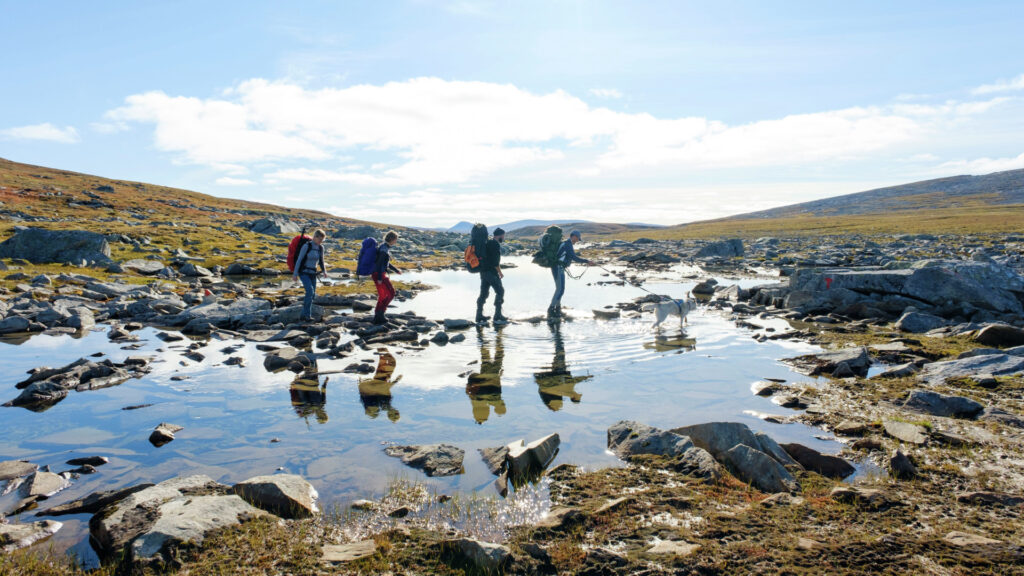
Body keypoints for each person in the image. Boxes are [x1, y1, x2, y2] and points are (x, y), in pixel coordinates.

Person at [548, 229, 592, 319]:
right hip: (558, 268)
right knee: (560, 289)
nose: (577, 241)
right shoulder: (568, 244)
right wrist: (587, 261)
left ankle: (557, 308)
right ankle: (551, 310)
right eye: (577, 239)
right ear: (574, 236)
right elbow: (574, 257)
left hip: (558, 268)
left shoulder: (566, 243)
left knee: (560, 289)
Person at [292, 229, 327, 322]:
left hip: (313, 273)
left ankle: (303, 315)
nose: (320, 242)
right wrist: (295, 274)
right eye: (320, 239)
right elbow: (299, 260)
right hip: (303, 272)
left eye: (322, 240)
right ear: (315, 237)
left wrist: (324, 271)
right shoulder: (306, 246)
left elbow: (321, 261)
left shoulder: (321, 248)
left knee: (312, 295)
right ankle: (307, 316)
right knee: (310, 292)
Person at [476, 227, 507, 324]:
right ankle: (498, 315)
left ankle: (479, 316)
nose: (504, 237)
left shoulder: (488, 242)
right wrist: (500, 272)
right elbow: (495, 262)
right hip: (491, 272)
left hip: (483, 272)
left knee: (484, 293)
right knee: (500, 291)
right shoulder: (495, 244)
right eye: (503, 235)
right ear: (500, 235)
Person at [372, 231, 402, 325]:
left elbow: (386, 263)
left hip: (378, 274)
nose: (396, 241)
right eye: (395, 239)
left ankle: (378, 316)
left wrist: (396, 270)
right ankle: (380, 314)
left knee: (383, 295)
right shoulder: (384, 249)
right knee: (391, 293)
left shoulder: (384, 247)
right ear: (392, 239)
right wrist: (380, 278)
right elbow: (380, 263)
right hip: (379, 274)